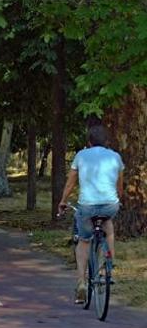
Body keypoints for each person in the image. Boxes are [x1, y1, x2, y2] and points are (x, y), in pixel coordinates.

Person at [58, 125, 124, 304]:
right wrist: (118, 199)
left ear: (89, 142)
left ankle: (81, 282)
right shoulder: (115, 157)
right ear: (107, 142)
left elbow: (71, 183)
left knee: (84, 240)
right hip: (110, 205)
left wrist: (63, 201)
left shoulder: (81, 155)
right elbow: (120, 185)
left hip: (87, 207)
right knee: (108, 227)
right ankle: (108, 265)